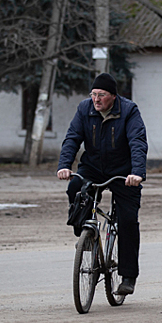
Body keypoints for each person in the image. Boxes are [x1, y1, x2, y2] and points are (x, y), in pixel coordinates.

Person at [57, 73, 147, 295]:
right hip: (93, 166)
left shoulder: (129, 110)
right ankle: (85, 234)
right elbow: (72, 138)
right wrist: (64, 165)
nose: (96, 100)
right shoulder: (84, 109)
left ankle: (127, 276)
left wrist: (136, 173)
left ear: (113, 97)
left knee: (127, 220)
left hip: (123, 171)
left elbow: (137, 141)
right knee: (75, 189)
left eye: (101, 95)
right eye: (94, 95)